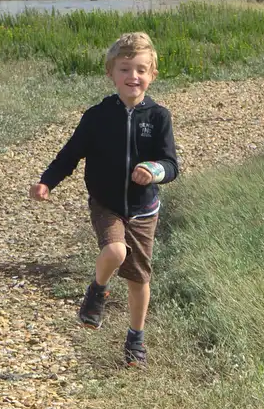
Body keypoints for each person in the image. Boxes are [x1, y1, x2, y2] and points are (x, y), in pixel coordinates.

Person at [31, 32, 180, 369]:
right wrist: (47, 182)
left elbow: (172, 165)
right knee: (115, 251)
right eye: (125, 69)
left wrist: (155, 171)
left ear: (153, 75)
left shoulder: (159, 117)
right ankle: (97, 291)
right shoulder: (97, 116)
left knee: (139, 279)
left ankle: (135, 340)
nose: (133, 77)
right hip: (106, 203)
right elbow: (70, 155)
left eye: (141, 70)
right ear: (111, 73)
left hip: (144, 208)